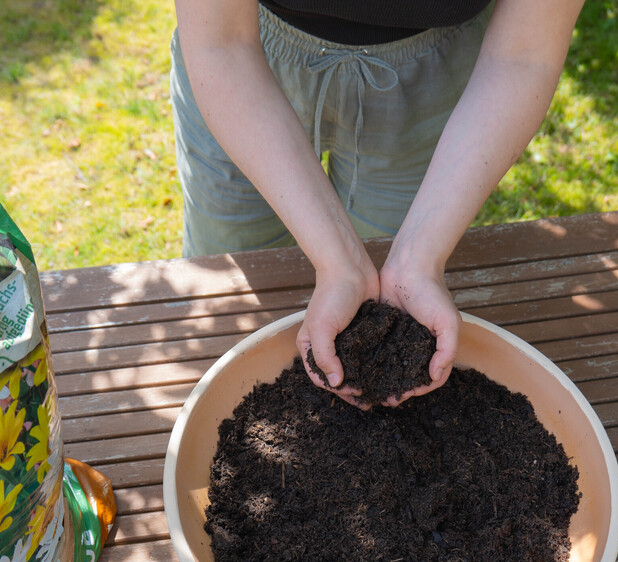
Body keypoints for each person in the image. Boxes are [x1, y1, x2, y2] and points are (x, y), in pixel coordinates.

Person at [171, 0, 585, 405]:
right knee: (228, 289)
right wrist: (340, 263)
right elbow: (220, 42)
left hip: (435, 75)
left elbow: (524, 54)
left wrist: (417, 262)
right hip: (238, 65)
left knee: (388, 289)